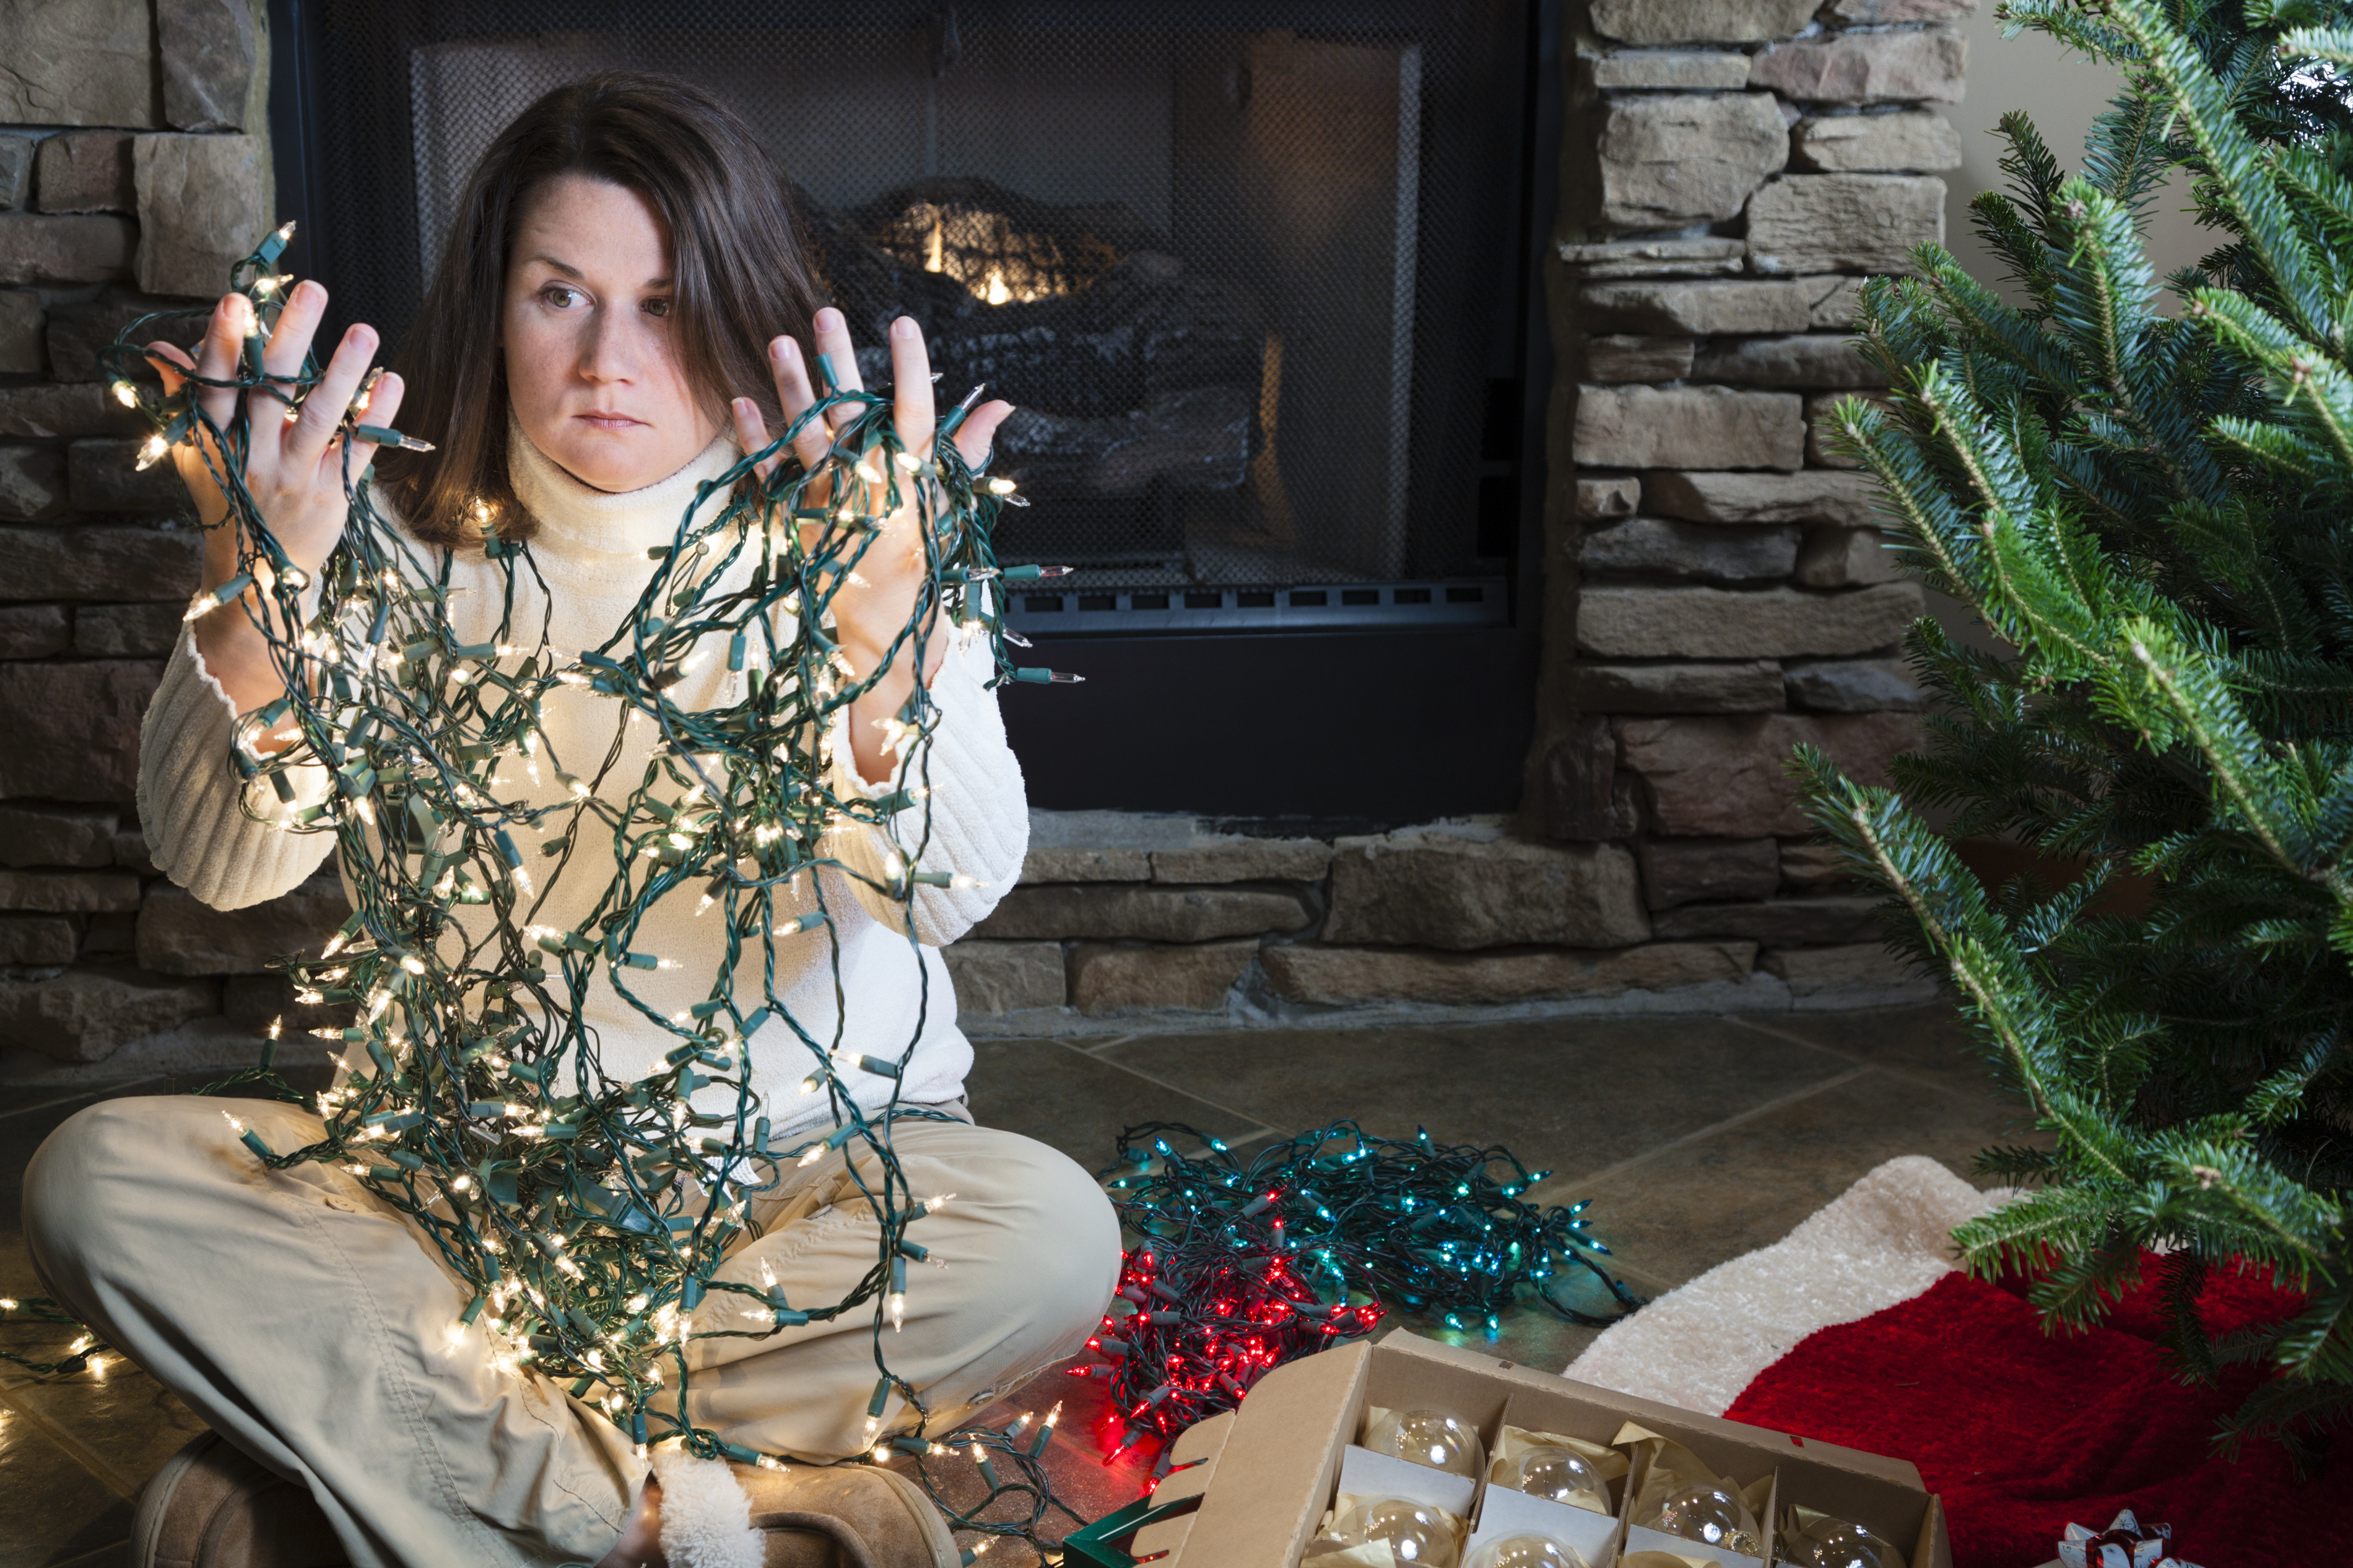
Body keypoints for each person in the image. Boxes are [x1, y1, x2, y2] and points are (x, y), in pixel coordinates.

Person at [20, 72, 1121, 1568]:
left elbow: (949, 889)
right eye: (560, 295)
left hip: (808, 1181)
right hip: (452, 1192)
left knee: (1052, 1239)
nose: (608, 358)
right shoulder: (373, 532)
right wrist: (256, 585)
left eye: (664, 303)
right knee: (97, 1182)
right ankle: (687, 1523)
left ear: (739, 310)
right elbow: (226, 865)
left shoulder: (865, 526)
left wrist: (881, 651)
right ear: (494, 303)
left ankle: (381, 1465)